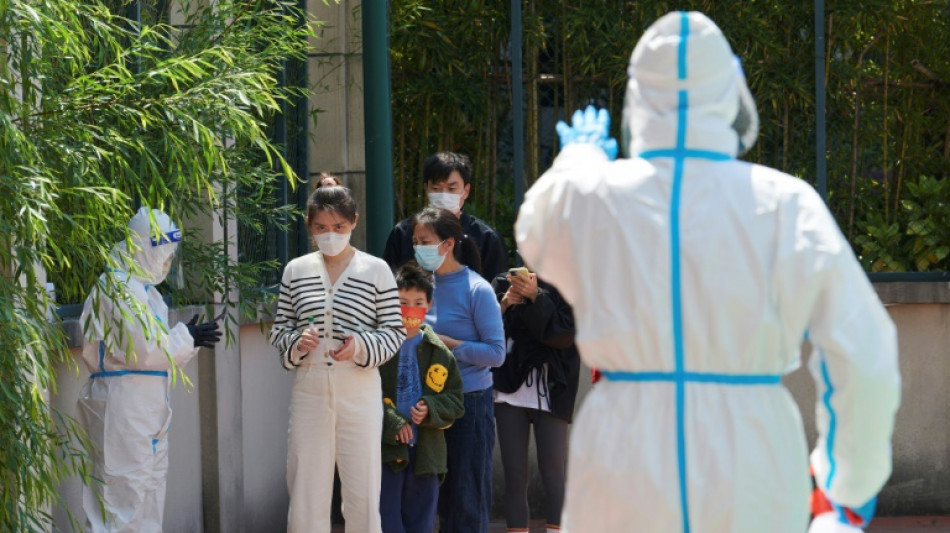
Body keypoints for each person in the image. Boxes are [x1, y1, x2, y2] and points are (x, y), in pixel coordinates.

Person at [514, 11, 900, 533]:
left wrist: (578, 161)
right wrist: (849, 482)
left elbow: (535, 230)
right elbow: (864, 352)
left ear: (638, 96)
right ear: (729, 90)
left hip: (623, 458)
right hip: (752, 457)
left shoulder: (591, 198)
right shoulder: (786, 204)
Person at [269, 185, 406, 533]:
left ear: (354, 222)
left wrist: (359, 345)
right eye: (321, 228)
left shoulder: (376, 270)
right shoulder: (295, 270)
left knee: (363, 489)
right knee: (305, 488)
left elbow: (394, 332)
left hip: (359, 387)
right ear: (309, 225)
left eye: (339, 227)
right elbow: (280, 328)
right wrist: (297, 343)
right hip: (310, 388)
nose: (330, 235)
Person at [77, 207, 222, 533]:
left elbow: (157, 354)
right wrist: (186, 337)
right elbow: (142, 349)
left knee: (148, 503)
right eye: (164, 253)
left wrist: (189, 340)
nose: (168, 262)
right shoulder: (116, 287)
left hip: (147, 411)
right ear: (143, 248)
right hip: (124, 411)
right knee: (121, 507)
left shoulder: (147, 292)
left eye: (171, 254)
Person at [410, 207, 506, 533]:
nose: (418, 248)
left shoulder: (477, 290)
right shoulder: (418, 288)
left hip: (469, 403)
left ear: (448, 243)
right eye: (415, 241)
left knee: (466, 500)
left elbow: (496, 353)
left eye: (425, 241)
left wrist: (449, 345)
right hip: (425, 405)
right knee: (429, 500)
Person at [379, 262, 465, 533]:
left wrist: (431, 407)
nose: (410, 309)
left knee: (421, 523)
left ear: (429, 305)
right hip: (387, 453)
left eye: (418, 303)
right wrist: (392, 421)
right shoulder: (378, 348)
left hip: (427, 455)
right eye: (402, 303)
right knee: (386, 521)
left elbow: (455, 400)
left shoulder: (440, 353)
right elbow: (365, 396)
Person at [492, 268, 579, 533]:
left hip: (552, 388)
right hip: (509, 388)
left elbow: (564, 335)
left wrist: (537, 297)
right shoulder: (502, 282)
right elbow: (487, 331)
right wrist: (503, 305)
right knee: (515, 475)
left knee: (554, 472)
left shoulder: (568, 285)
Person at [383, 151, 508, 281]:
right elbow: (388, 283)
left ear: (466, 191)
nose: (443, 195)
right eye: (436, 189)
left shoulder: (487, 239)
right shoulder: (402, 233)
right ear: (426, 189)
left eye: (451, 189)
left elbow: (498, 288)